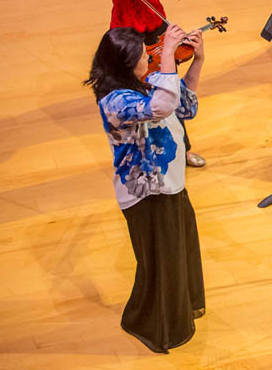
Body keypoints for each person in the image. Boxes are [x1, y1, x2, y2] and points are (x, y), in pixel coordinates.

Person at [86, 24, 206, 353]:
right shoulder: (115, 101)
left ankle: (183, 308)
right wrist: (167, 53)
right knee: (159, 264)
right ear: (125, 65)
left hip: (170, 184)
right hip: (146, 194)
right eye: (143, 57)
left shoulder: (145, 80)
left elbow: (184, 107)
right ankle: (152, 324)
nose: (148, 60)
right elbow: (162, 107)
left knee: (179, 253)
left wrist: (196, 62)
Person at [96, 0, 226, 168]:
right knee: (140, 94)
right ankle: (145, 152)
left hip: (157, 25)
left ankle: (182, 147)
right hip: (128, 34)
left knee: (170, 86)